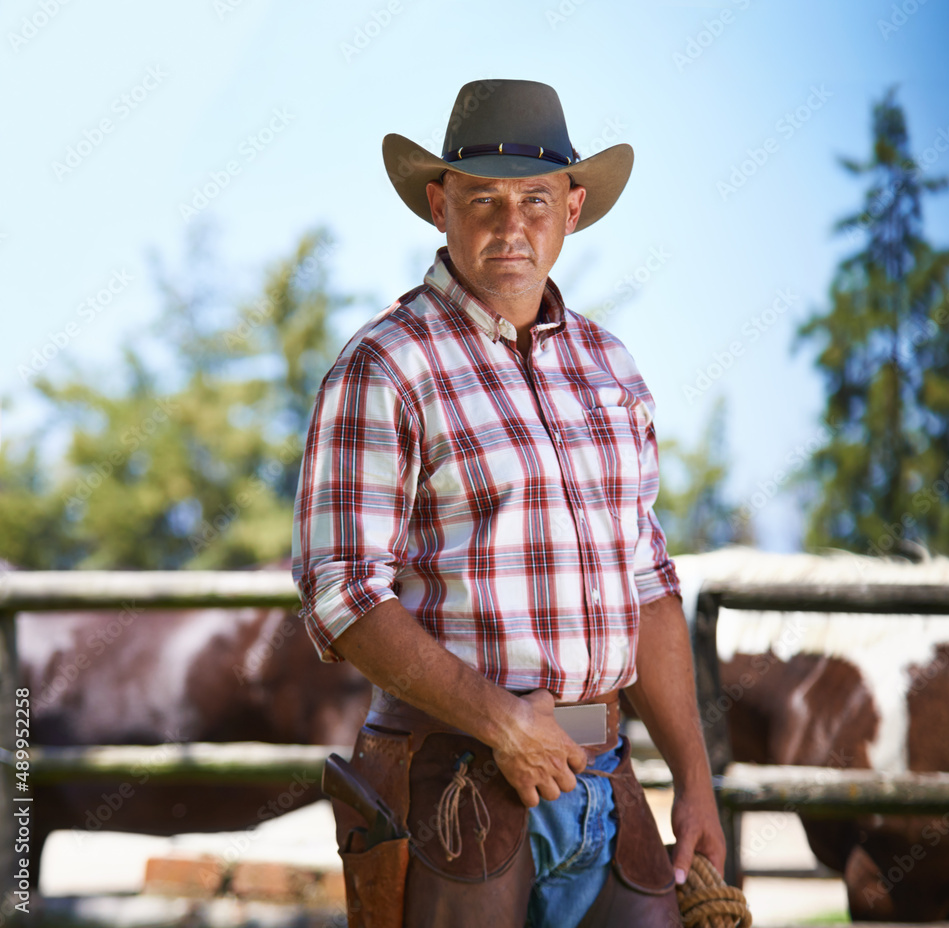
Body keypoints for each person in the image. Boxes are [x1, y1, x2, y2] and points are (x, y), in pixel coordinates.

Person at [293, 79, 725, 928]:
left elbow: (648, 581)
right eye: (481, 198)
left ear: (572, 208)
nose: (510, 223)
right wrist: (502, 723)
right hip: (451, 777)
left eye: (534, 199)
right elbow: (340, 591)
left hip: (607, 775)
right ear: (436, 204)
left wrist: (698, 783)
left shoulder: (612, 366)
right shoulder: (385, 364)